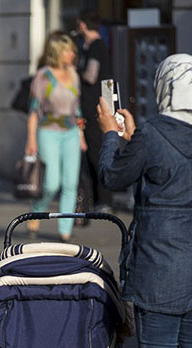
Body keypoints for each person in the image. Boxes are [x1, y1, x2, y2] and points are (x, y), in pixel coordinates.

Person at [96, 53, 192, 348]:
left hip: (162, 266)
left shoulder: (153, 134)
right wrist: (135, 140)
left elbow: (112, 176)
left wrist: (111, 135)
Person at [24, 31, 86, 241]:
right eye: (69, 51)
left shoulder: (74, 74)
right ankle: (37, 208)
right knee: (51, 183)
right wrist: (31, 140)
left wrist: (81, 135)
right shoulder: (43, 76)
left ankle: (65, 231)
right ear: (58, 52)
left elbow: (77, 109)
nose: (72, 54)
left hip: (70, 133)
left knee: (70, 183)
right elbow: (33, 110)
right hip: (48, 131)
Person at [77, 9, 113, 213]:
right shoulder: (95, 45)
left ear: (82, 25)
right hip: (95, 105)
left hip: (93, 107)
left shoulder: (95, 46)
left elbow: (91, 75)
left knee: (96, 151)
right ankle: (99, 198)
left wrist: (74, 73)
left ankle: (104, 199)